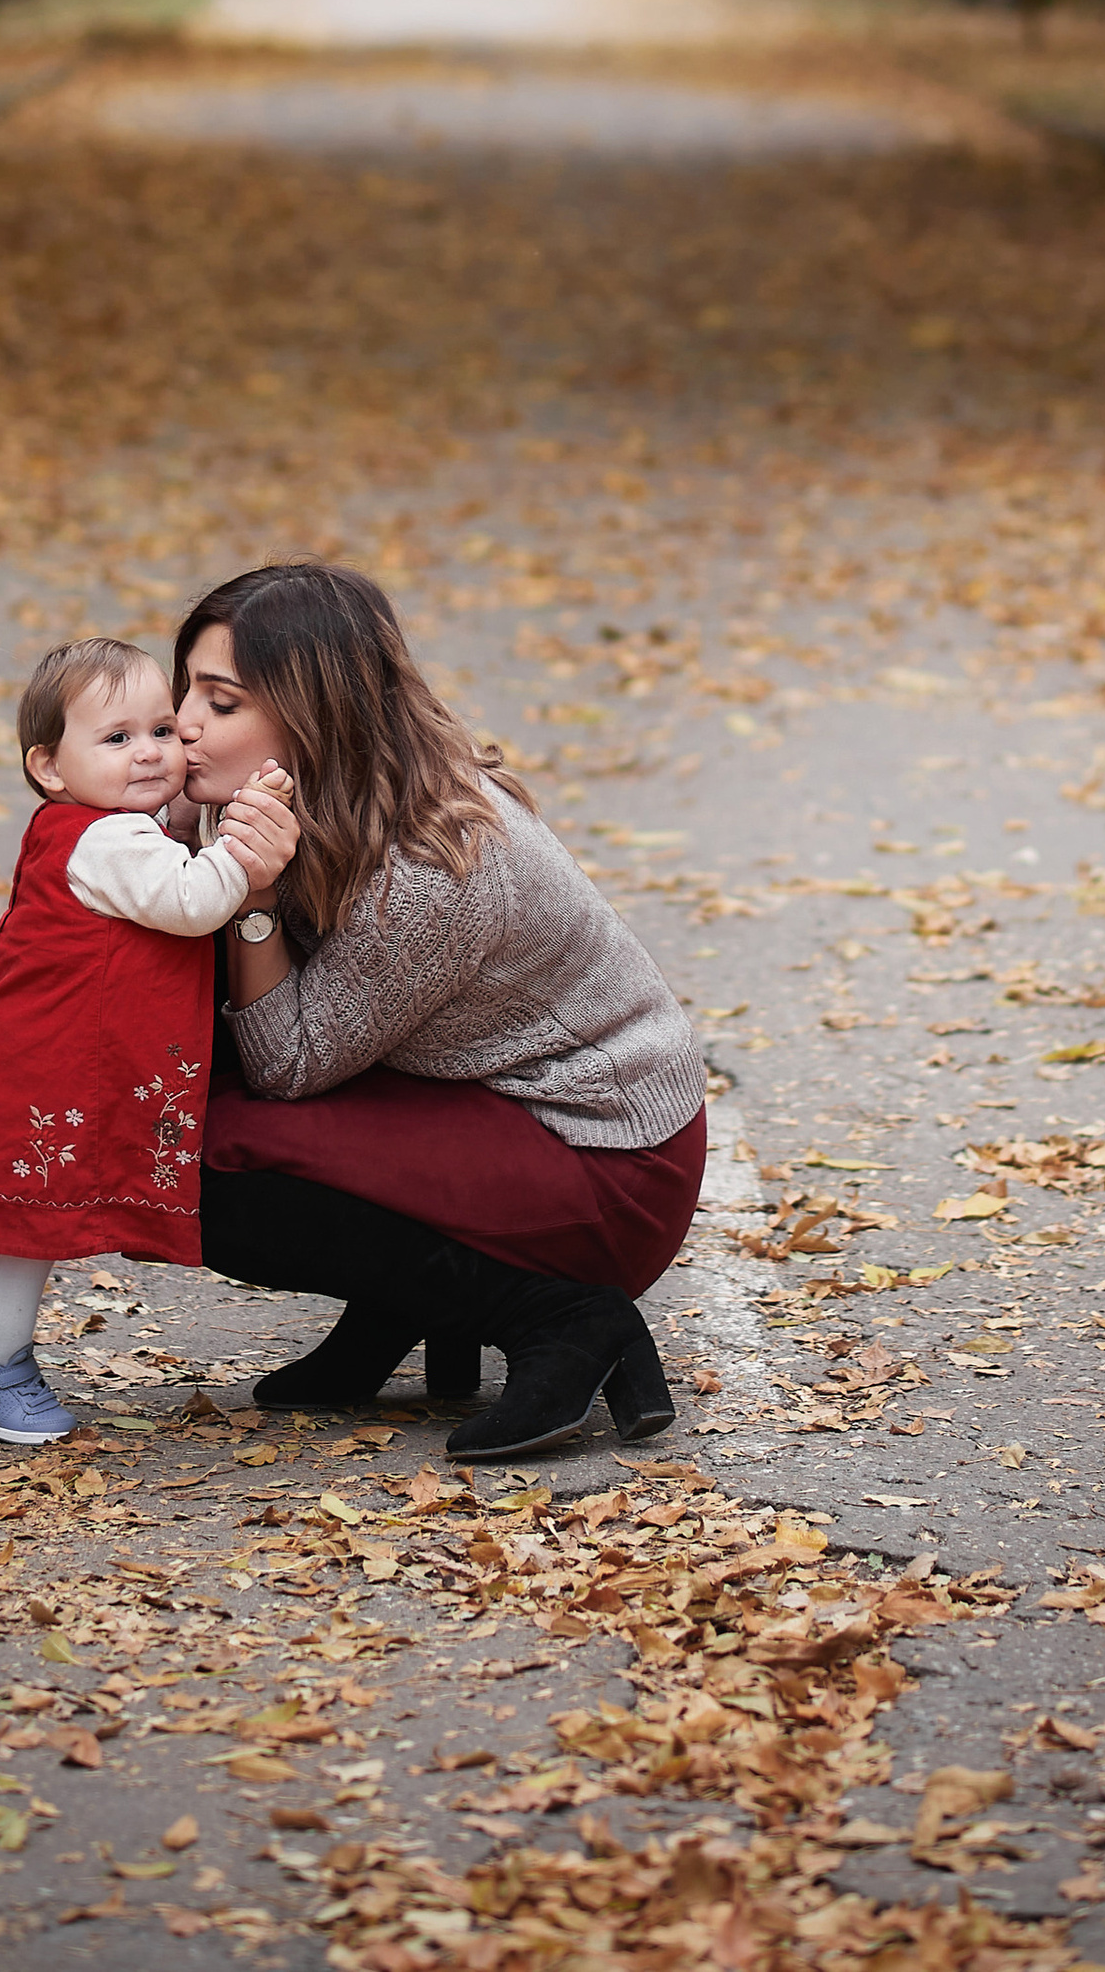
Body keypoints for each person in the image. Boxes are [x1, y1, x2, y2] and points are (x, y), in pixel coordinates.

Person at [171, 562, 707, 1462]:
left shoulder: (430, 867)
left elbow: (291, 1065)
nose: (182, 722)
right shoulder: (308, 796)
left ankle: (567, 1318)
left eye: (220, 704)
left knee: (203, 1160)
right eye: (187, 687)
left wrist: (251, 895)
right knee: (187, 1097)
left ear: (314, 717)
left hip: (606, 1159)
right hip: (491, 1103)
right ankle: (404, 1308)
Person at [0, 636, 298, 1445]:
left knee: (22, 1219)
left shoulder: (94, 826)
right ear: (49, 766)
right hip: (48, 1075)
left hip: (38, 1065)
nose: (151, 753)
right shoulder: (108, 841)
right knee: (29, 1230)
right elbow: (191, 902)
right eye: (117, 740)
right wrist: (247, 852)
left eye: (160, 730)